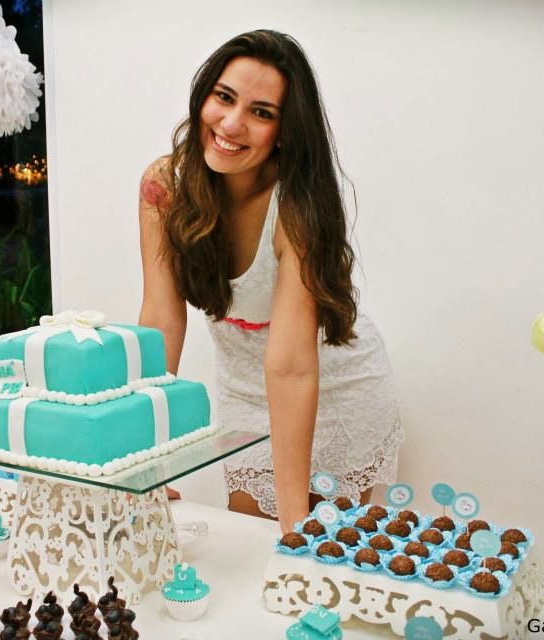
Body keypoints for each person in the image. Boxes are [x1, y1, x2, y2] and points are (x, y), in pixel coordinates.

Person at [138, 29, 403, 532]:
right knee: (249, 536)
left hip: (333, 382)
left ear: (284, 130)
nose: (231, 124)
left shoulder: (297, 207)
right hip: (243, 390)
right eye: (224, 97)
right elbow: (160, 321)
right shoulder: (164, 187)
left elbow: (292, 367)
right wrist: (147, 460)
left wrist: (294, 523)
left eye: (261, 112)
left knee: (321, 547)